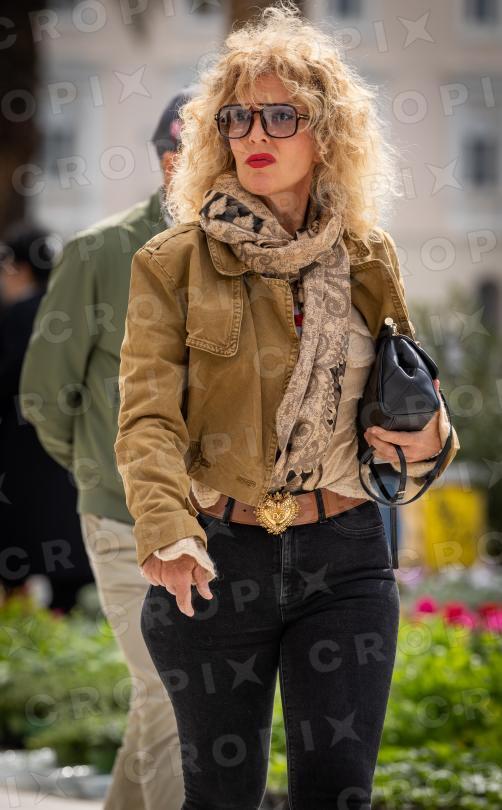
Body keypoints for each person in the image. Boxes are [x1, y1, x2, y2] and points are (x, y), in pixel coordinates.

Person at [114, 5, 461, 809]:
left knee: (339, 792)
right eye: (236, 117)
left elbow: (404, 393)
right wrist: (166, 530)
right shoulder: (172, 263)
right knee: (222, 795)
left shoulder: (369, 257)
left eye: (280, 115)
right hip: (216, 557)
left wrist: (434, 438)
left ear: (326, 134)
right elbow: (147, 418)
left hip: (347, 555)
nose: (253, 133)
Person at [19, 87, 202, 810]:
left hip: (217, 523)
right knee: (174, 689)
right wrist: (101, 472)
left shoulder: (246, 252)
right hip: (124, 516)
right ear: (169, 161)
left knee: (162, 696)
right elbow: (44, 394)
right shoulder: (99, 251)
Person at [0, 225, 93, 610]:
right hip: (71, 450)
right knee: (63, 550)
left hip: (18, 453)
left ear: (18, 267)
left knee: (17, 551)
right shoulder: (73, 314)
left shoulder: (15, 317)